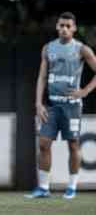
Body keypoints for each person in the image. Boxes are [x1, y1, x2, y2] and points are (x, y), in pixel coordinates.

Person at [26, 12, 96, 199]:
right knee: (43, 143)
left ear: (74, 28)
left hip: (72, 106)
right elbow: (42, 77)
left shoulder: (82, 49)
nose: (64, 29)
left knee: (73, 145)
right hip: (51, 104)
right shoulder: (48, 48)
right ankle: (43, 188)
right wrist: (38, 103)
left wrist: (85, 91)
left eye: (68, 26)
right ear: (57, 27)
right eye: (61, 25)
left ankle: (72, 187)